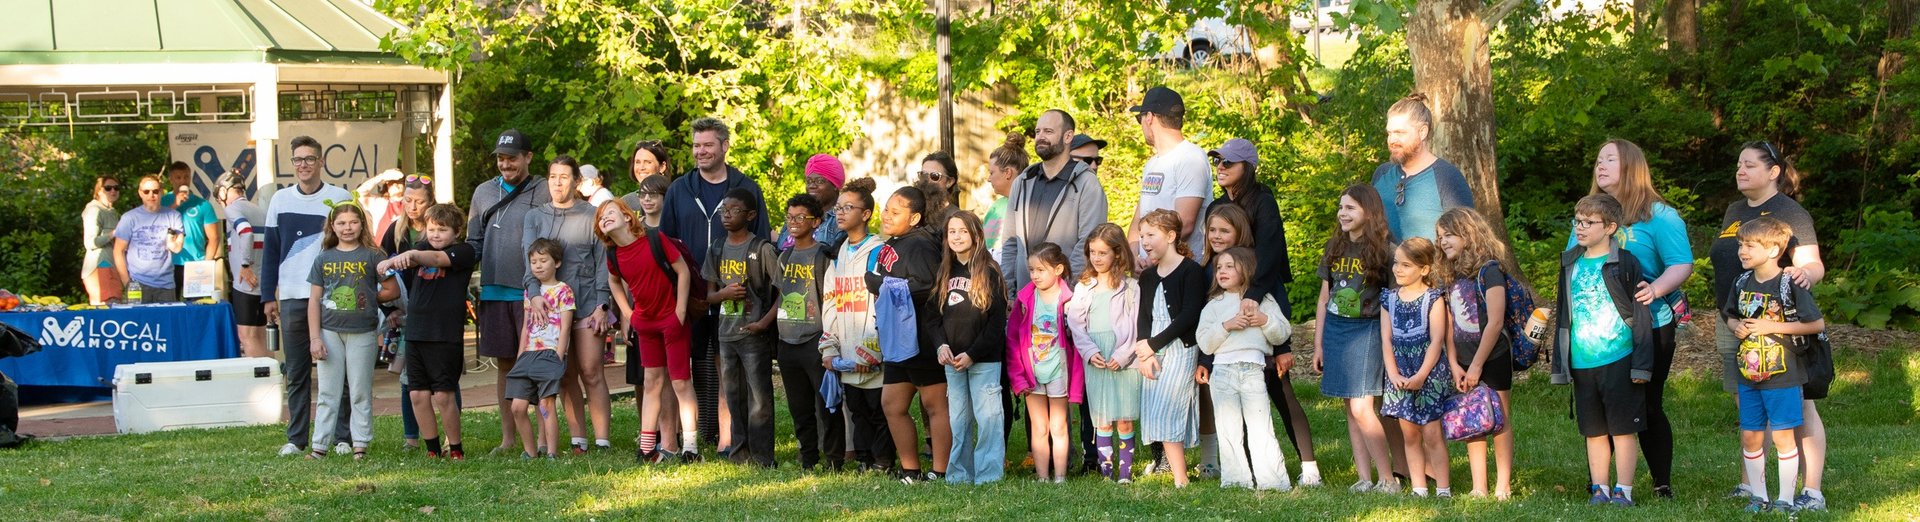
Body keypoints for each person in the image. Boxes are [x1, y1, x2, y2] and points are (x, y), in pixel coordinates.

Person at [1712, 142, 1828, 512]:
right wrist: (1732, 319)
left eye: (1749, 165)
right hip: (1734, 319)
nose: (1740, 171)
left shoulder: (1789, 211)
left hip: (1780, 329)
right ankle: (1753, 487)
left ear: (1773, 171)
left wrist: (1800, 275)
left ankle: (1810, 491)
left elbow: (1813, 265)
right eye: (1738, 165)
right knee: (1748, 405)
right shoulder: (1734, 210)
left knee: (1800, 406)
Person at [1573, 140, 1692, 499]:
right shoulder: (1588, 215)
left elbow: (1681, 264)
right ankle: (1601, 483)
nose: (1601, 165)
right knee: (1601, 406)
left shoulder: (1660, 216)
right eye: (1598, 159)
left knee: (1646, 403)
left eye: (1610, 159)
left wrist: (1655, 290)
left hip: (1649, 326)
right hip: (1595, 336)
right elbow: (1575, 264)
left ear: (1632, 165)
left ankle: (1660, 483)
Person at [1204, 138, 1319, 486]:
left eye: (1229, 163)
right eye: (1218, 162)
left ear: (1247, 167)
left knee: (1278, 385)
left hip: (1264, 298)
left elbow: (1269, 258)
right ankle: (1249, 469)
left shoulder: (1264, 201)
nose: (1221, 168)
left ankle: (1309, 467)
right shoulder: (1217, 205)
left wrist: (1252, 299)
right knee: (1239, 390)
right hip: (1229, 306)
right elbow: (1213, 257)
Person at [660, 118, 769, 453]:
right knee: (682, 367)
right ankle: (682, 438)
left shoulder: (746, 187)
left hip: (734, 297)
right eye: (696, 146)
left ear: (724, 146)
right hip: (689, 295)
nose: (700, 152)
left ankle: (728, 438)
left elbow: (762, 241)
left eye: (707, 145)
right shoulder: (680, 188)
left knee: (729, 367)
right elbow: (665, 242)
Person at [1550, 194, 1653, 507]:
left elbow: (1641, 313)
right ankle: (1600, 488)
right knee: (1593, 431)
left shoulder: (1626, 263)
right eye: (1577, 221)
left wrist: (1641, 364)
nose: (1580, 228)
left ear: (1610, 227)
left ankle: (1624, 490)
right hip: (1582, 360)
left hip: (1619, 358)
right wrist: (1561, 364)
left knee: (1622, 430)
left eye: (1588, 223)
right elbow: (1563, 315)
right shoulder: (1569, 262)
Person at [262, 135, 355, 457]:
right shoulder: (280, 201)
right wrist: (267, 296)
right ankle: (297, 437)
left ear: (321, 162)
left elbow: (353, 242)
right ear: (292, 164)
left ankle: (343, 437)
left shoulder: (339, 197)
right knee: (297, 371)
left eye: (309, 159)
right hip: (291, 296)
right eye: (298, 160)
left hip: (332, 296)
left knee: (337, 369)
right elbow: (271, 251)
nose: (303, 165)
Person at [522, 156, 615, 454]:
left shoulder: (592, 214)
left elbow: (604, 262)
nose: (557, 183)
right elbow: (529, 261)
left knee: (591, 370)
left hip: (587, 303)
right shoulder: (535, 217)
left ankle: (602, 440)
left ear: (576, 182)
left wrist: (603, 303)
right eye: (552, 176)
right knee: (562, 374)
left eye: (564, 177)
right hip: (548, 309)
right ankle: (579, 439)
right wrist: (534, 294)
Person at [469, 129, 554, 455]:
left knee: (536, 364)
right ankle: (508, 438)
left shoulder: (544, 190)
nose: (506, 164)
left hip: (531, 293)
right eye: (501, 158)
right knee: (505, 365)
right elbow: (473, 242)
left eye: (512, 158)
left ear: (528, 157)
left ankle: (544, 439)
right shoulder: (483, 192)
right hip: (493, 291)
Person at [600, 199, 701, 463]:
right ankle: (647, 448)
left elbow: (682, 270)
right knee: (651, 383)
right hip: (645, 324)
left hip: (671, 320)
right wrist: (628, 312)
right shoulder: (613, 255)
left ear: (626, 216)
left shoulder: (654, 239)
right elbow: (613, 281)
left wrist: (680, 310)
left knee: (680, 381)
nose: (604, 218)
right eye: (600, 218)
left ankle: (690, 447)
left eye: (610, 213)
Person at [1312, 184, 1396, 493]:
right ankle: (1364, 478)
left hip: (1367, 329)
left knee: (1363, 408)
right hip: (1335, 329)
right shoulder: (1335, 245)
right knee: (1350, 408)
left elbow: (1393, 300)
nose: (1342, 213)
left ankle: (1388, 479)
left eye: (1350, 208)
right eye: (1341, 207)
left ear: (1369, 212)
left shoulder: (1386, 249)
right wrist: (1319, 343)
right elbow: (1324, 298)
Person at [378, 203, 479, 459]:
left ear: (456, 232)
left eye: (442, 230)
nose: (435, 235)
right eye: (432, 229)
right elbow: (413, 257)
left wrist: (408, 257)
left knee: (444, 395)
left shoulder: (464, 252)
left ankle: (455, 448)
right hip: (416, 333)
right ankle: (432, 450)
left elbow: (434, 259)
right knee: (417, 394)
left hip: (444, 335)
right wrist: (390, 262)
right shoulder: (421, 248)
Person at [865, 186, 950, 483]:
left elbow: (928, 286)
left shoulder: (920, 245)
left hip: (922, 338)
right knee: (893, 404)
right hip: (897, 340)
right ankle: (910, 469)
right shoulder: (896, 242)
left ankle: (940, 471)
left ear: (914, 218)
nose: (886, 216)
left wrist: (882, 283)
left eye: (895, 212)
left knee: (934, 405)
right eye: (886, 209)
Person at [303, 204, 399, 460]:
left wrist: (368, 296)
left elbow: (392, 290)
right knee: (328, 392)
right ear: (332, 227)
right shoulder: (323, 258)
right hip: (329, 331)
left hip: (363, 331)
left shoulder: (374, 255)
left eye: (353, 222)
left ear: (361, 225)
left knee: (359, 390)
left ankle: (360, 444)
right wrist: (315, 338)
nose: (347, 228)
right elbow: (314, 300)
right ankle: (319, 446)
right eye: (342, 223)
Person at [1195, 246, 1294, 491]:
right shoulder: (1214, 305)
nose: (1222, 271)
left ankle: (1272, 480)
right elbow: (1205, 341)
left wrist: (1264, 320)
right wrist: (1226, 326)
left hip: (1252, 370)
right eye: (1219, 267)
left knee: (1260, 424)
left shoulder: (1262, 301)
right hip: (1223, 372)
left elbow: (1282, 333)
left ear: (1247, 269)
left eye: (1230, 266)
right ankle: (1235, 480)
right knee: (1228, 426)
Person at [1435, 208, 1517, 499]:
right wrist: (1456, 363)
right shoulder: (1450, 275)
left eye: (1450, 235)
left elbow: (1495, 321)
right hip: (1465, 359)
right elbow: (1449, 325)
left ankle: (1503, 485)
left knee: (1500, 420)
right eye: (1440, 237)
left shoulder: (1490, 270)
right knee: (1473, 420)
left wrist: (1478, 366)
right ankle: (1479, 486)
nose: (1443, 242)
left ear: (1468, 234)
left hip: (1492, 356)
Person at [1130, 209, 1208, 488]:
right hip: (1152, 348)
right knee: (1155, 410)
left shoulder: (1191, 271)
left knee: (1169, 409)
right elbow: (1144, 316)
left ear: (1172, 236)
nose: (1145, 242)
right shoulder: (1148, 276)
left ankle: (1180, 478)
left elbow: (1189, 315)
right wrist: (1143, 350)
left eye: (1151, 235)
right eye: (1142, 236)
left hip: (1179, 348)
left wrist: (1152, 345)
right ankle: (1176, 473)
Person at [702, 188, 779, 467]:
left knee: (759, 396)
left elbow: (783, 292)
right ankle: (739, 452)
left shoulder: (762, 249)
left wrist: (763, 323)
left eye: (734, 210)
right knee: (733, 395)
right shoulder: (717, 248)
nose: (726, 215)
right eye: (724, 210)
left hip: (753, 333)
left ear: (750, 215)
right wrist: (723, 295)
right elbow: (708, 295)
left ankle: (762, 457)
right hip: (726, 332)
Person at [820, 178, 891, 472]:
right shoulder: (837, 257)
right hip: (847, 352)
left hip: (873, 352)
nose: (840, 213)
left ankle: (884, 461)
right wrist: (829, 346)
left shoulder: (879, 251)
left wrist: (873, 348)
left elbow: (886, 304)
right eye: (838, 207)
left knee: (879, 411)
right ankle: (863, 459)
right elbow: (831, 302)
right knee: (857, 410)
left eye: (848, 207)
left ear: (866, 214)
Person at [1064, 224, 1142, 483]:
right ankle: (1107, 472)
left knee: (1124, 420)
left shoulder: (1131, 288)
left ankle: (1125, 473)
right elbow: (1076, 323)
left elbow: (1135, 326)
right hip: (1096, 357)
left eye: (1103, 253)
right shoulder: (1084, 287)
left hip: (1123, 358)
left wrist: (1123, 355)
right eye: (1093, 252)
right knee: (1103, 419)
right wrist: (1089, 351)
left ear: (1118, 254)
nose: (1097, 258)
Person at [935, 212, 1008, 484]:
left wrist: (973, 354)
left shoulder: (990, 271)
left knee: (989, 419)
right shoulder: (944, 271)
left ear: (976, 236)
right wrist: (941, 345)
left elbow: (996, 322)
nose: (956, 236)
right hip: (952, 361)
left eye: (963, 231)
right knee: (959, 420)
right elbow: (933, 318)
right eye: (952, 231)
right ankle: (959, 474)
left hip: (984, 360)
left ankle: (988, 475)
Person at [774, 194, 845, 471]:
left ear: (815, 222)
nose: (793, 222)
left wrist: (830, 340)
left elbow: (829, 298)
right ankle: (808, 458)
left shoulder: (823, 256)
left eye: (800, 217)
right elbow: (781, 294)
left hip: (815, 339)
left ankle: (834, 460)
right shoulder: (784, 256)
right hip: (787, 339)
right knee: (799, 406)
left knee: (827, 403)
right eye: (790, 217)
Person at [1000, 109, 1107, 292]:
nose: (1040, 137)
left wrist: (1067, 291)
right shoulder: (1023, 182)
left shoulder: (1086, 183)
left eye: (1048, 132)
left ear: (1068, 136)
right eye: (1037, 132)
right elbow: (1010, 241)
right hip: (1024, 298)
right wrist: (1008, 290)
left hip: (1065, 300)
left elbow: (1089, 243)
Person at [1378, 238, 1453, 498]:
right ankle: (1419, 488)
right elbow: (1386, 340)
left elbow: (1436, 340)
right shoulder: (1388, 299)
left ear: (1424, 269)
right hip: (1398, 371)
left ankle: (1443, 488)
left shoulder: (1433, 298)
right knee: (1409, 433)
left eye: (1406, 265)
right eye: (1396, 263)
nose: (1398, 269)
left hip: (1428, 372)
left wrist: (1421, 375)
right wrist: (1394, 373)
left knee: (1432, 433)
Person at [381, 176, 441, 452]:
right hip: (405, 312)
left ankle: (451, 434)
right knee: (408, 378)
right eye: (407, 201)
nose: (412, 207)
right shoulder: (396, 231)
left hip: (435, 310)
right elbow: (381, 271)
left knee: (443, 378)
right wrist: (389, 308)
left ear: (431, 203)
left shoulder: (438, 230)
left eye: (419, 201)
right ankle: (410, 437)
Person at [1009, 241, 1075, 484]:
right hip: (1032, 373)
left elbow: (1076, 342)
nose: (1035, 275)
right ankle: (1042, 476)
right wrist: (1018, 377)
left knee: (1058, 427)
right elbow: (1013, 340)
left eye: (1041, 270)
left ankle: (1060, 477)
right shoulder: (1025, 300)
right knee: (1039, 428)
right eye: (1032, 270)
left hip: (1059, 373)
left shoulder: (1069, 300)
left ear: (1058, 270)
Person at [1369, 94, 1474, 243]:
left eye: (1400, 133)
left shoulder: (1447, 177)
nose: (1392, 140)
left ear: (1422, 132)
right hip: (1381, 266)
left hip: (1432, 266)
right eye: (1389, 133)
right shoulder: (1381, 174)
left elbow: (1464, 240)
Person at [1128, 86, 1213, 262]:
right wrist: (1133, 257)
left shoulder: (1191, 158)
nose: (1141, 124)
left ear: (1149, 118)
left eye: (1140, 118)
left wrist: (1154, 261)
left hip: (1179, 272)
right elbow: (1139, 217)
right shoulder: (1152, 164)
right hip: (1150, 271)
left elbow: (1185, 224)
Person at [509, 239, 574, 459]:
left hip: (549, 353)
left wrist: (559, 355)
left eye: (543, 260)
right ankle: (530, 451)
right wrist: (520, 355)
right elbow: (526, 326)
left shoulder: (563, 291)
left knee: (546, 405)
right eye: (533, 261)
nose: (537, 265)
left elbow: (565, 327)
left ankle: (552, 452)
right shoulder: (530, 292)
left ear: (556, 263)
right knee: (517, 407)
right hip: (527, 353)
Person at [215, 173, 269, 358]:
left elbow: (246, 233)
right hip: (264, 280)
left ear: (223, 192)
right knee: (261, 336)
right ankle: (275, 380)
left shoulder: (232, 209)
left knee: (246, 336)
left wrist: (245, 264)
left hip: (246, 281)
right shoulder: (259, 210)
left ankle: (262, 382)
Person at [113, 175, 185, 302]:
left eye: (155, 191)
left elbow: (177, 248)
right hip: (137, 283)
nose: (151, 195)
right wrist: (127, 283)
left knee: (166, 322)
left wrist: (172, 241)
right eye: (146, 191)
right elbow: (118, 251)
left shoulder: (174, 216)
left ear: (161, 192)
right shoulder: (129, 218)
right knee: (139, 321)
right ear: (140, 193)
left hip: (166, 284)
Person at [160, 161, 223, 301]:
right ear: (170, 179)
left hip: (196, 264)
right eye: (178, 177)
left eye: (186, 177)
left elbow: (214, 238)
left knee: (196, 306)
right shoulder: (162, 202)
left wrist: (206, 263)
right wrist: (176, 204)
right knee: (170, 306)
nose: (183, 181)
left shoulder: (203, 204)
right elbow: (155, 225)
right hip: (168, 264)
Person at [777, 154, 848, 251]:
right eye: (809, 181)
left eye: (819, 181)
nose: (812, 186)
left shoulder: (843, 218)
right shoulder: (796, 214)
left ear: (835, 185)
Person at [982, 135, 1028, 258]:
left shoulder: (1028, 205)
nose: (988, 179)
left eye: (992, 173)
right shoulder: (996, 206)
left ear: (1007, 172)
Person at [82, 176, 123, 305]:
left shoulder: (111, 211)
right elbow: (90, 243)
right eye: (108, 188)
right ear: (99, 191)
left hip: (111, 265)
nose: (113, 191)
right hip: (101, 266)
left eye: (116, 188)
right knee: (108, 309)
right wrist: (114, 233)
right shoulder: (94, 210)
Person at [620, 140, 672, 221]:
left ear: (662, 167)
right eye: (637, 162)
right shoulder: (626, 203)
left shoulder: (674, 199)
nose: (641, 167)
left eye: (648, 162)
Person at [354, 168, 407, 243]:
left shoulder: (411, 203)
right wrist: (381, 177)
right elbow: (357, 194)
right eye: (391, 182)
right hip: (381, 249)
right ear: (387, 186)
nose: (395, 184)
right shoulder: (379, 203)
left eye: (399, 182)